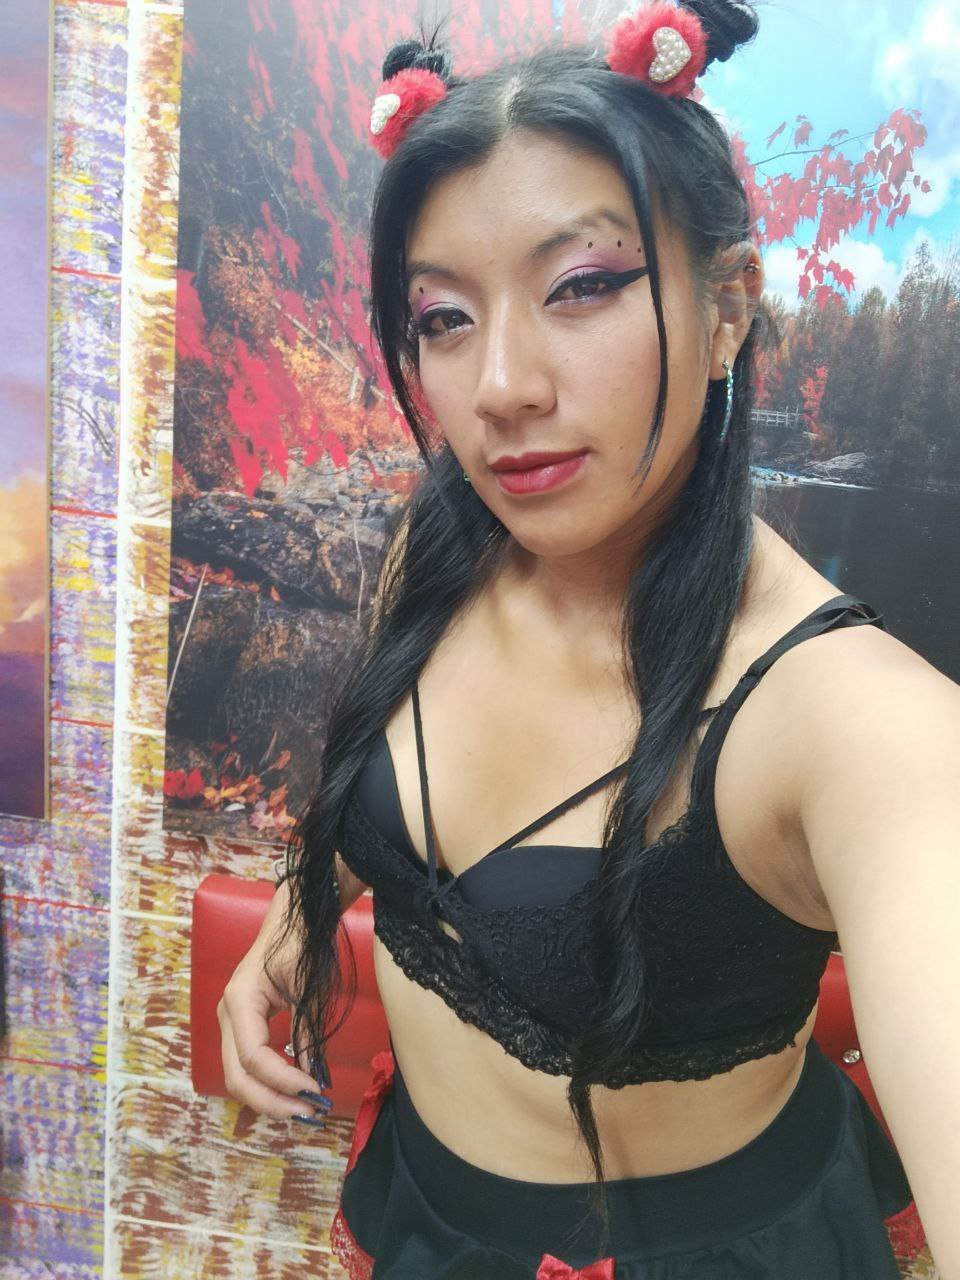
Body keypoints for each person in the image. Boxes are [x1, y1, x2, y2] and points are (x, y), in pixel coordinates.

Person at [217, 2, 960, 1275]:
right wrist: (298, 920)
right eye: (444, 317)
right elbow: (393, 794)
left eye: (582, 287)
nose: (501, 386)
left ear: (727, 307)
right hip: (424, 1203)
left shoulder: (854, 722)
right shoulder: (436, 545)